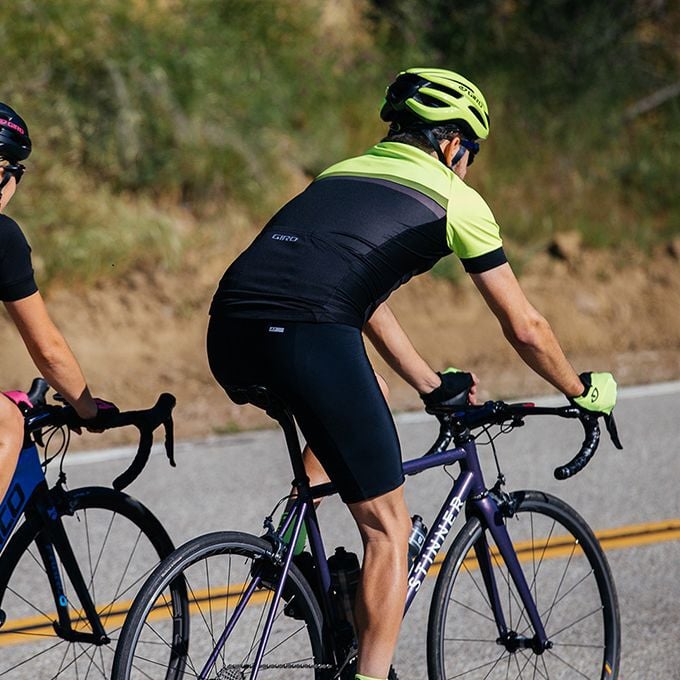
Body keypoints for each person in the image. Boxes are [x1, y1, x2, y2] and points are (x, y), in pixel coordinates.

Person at [206, 68, 617, 680]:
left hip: (228, 328)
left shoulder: (338, 175)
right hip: (310, 334)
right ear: (452, 143)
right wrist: (581, 391)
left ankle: (312, 558)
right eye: (470, 153)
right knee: (389, 528)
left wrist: (429, 383)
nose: (469, 165)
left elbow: (357, 295)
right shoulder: (456, 200)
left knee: (364, 389)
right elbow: (526, 326)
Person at [0, 102, 115, 501]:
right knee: (6, 424)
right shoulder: (2, 237)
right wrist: (86, 408)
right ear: (5, 172)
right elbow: (47, 350)